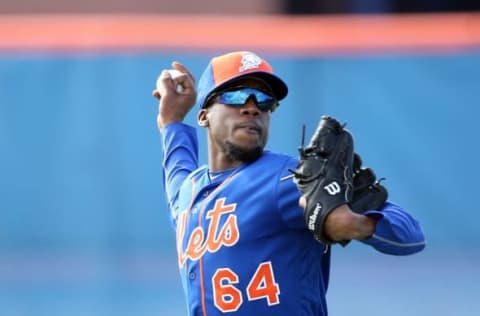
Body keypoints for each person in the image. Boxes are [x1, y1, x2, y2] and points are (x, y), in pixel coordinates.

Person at [153, 51, 426, 316]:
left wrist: (359, 224)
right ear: (204, 116)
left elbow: (412, 236)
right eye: (236, 96)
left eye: (263, 100)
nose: (251, 108)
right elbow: (177, 168)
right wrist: (171, 121)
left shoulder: (290, 178)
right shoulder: (187, 192)